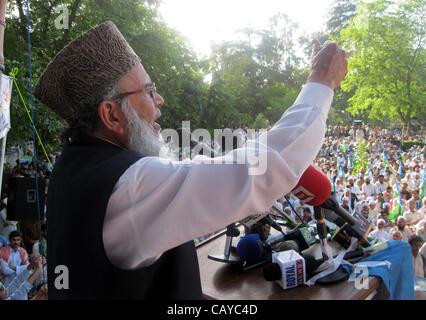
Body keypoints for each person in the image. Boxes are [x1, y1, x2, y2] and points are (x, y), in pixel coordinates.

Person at [33, 22, 348, 299]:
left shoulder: (71, 168)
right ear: (111, 115)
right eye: (148, 91)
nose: (160, 100)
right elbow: (265, 166)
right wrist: (320, 83)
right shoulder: (130, 185)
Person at [0, 231, 30, 297]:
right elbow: (5, 271)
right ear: (10, 240)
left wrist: (15, 268)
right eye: (14, 240)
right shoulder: (3, 251)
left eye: (18, 240)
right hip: (6, 282)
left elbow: (28, 267)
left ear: (20, 240)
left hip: (20, 281)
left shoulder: (23, 252)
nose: (16, 242)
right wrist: (20, 269)